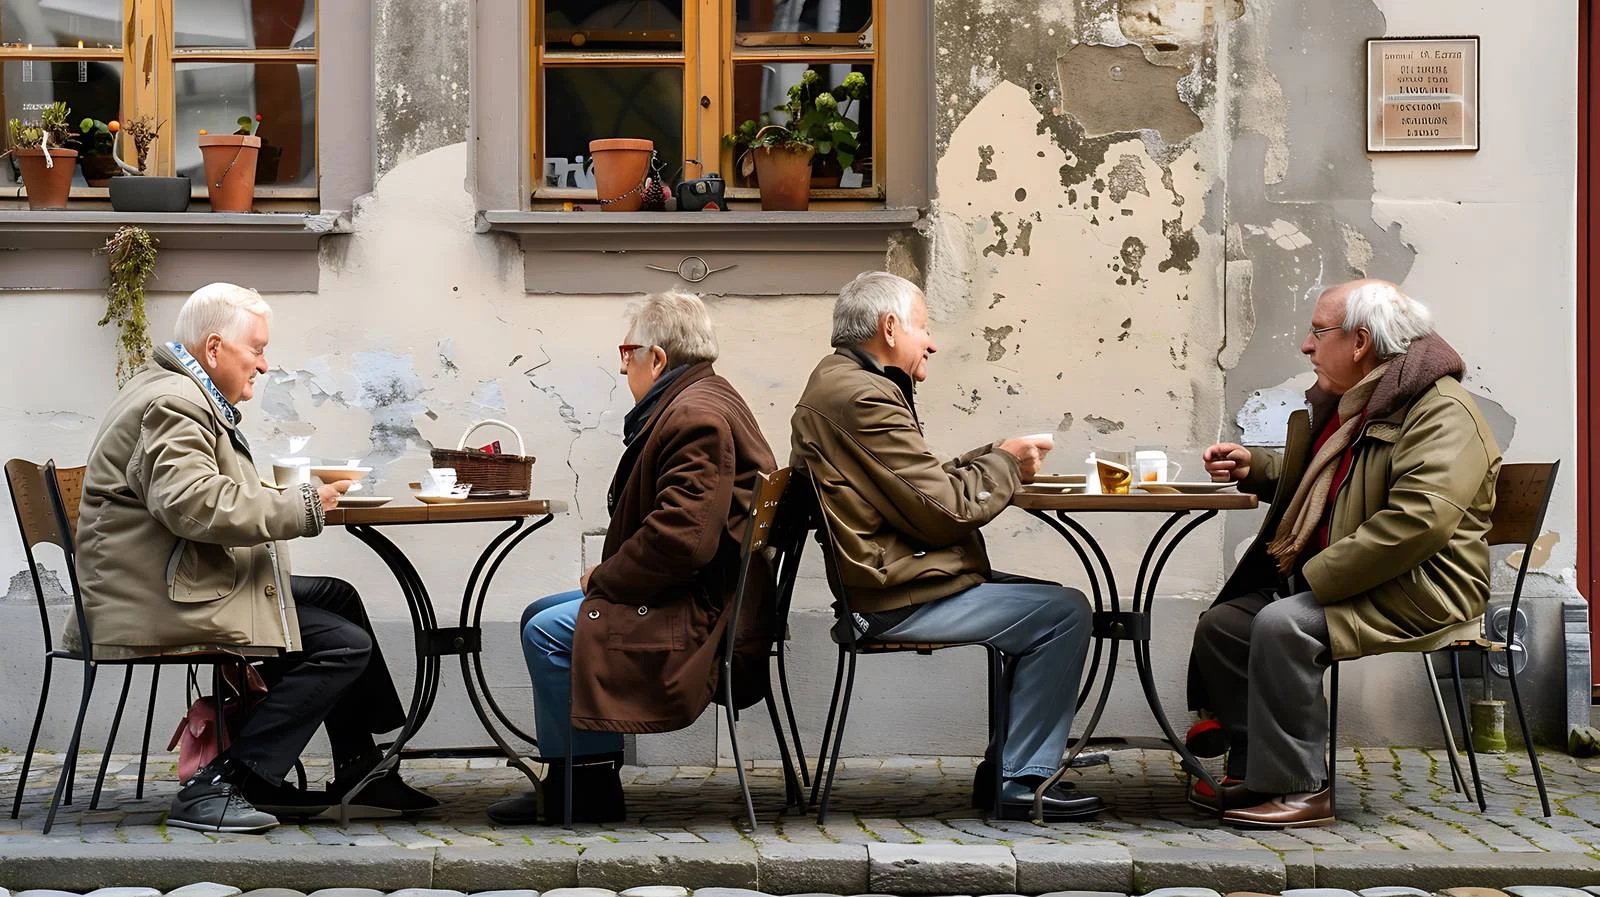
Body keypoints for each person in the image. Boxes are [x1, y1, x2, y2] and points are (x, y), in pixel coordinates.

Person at [71, 283, 435, 834]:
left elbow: (202, 490)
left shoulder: (181, 394)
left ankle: (363, 766)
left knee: (339, 596)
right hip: (155, 598)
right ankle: (224, 784)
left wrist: (295, 491)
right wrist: (303, 505)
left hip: (171, 579)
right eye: (257, 350)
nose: (264, 366)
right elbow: (194, 505)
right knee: (342, 645)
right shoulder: (173, 404)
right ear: (214, 349)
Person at [1188, 279, 1501, 829]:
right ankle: (1253, 765)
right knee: (1225, 625)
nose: (1307, 346)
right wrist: (1257, 468)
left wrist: (1311, 576)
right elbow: (1337, 479)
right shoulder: (1369, 399)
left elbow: (1418, 522)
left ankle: (1300, 790)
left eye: (1317, 332)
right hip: (1361, 574)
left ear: (1359, 342)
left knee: (1285, 625)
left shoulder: (1439, 411)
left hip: (1421, 585)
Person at [788, 271, 1101, 821]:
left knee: (1051, 601)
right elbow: (943, 511)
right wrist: (1004, 461)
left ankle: (1009, 764)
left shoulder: (847, 382)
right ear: (889, 328)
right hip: (894, 599)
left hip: (896, 582)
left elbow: (915, 487)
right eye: (924, 328)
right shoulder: (861, 395)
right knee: (1065, 613)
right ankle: (1019, 780)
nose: (931, 342)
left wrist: (996, 455)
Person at [488, 291, 777, 825]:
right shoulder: (709, 396)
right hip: (707, 594)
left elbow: (681, 540)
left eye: (627, 353)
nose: (623, 366)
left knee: (546, 630)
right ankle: (575, 774)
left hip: (701, 615)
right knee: (538, 613)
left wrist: (604, 576)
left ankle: (588, 784)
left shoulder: (696, 417)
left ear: (658, 358)